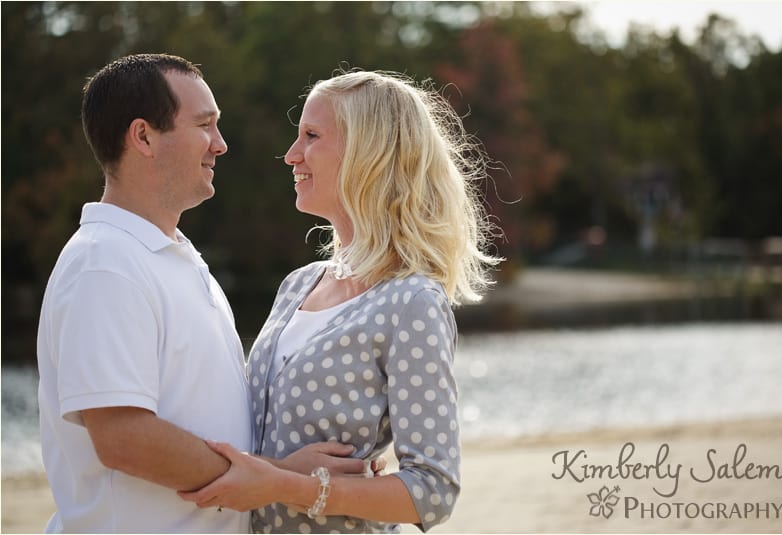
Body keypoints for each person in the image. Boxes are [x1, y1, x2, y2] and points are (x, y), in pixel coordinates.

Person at [36, 54, 373, 534]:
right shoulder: (104, 263)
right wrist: (276, 478)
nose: (220, 144)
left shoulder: (172, 257)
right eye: (204, 125)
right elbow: (123, 437)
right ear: (144, 136)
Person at [179, 69, 503, 533]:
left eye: (311, 136)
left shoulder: (411, 302)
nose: (291, 156)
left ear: (367, 153)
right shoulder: (297, 285)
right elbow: (262, 446)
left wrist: (285, 486)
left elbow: (433, 491)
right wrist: (278, 473)